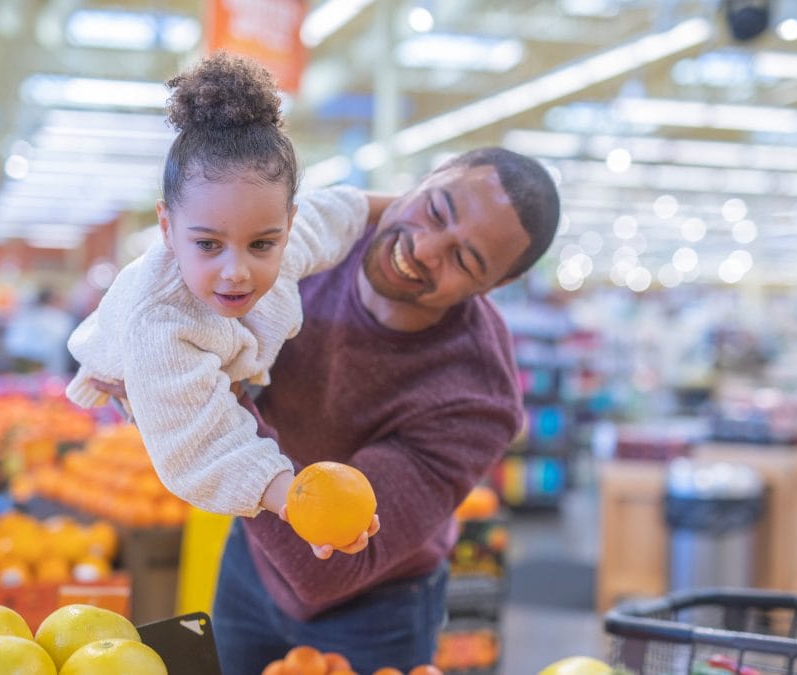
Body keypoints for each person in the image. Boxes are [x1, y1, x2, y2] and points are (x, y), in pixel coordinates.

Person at [211, 147, 561, 673]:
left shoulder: (475, 398)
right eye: (437, 209)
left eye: (465, 259)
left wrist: (201, 405)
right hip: (252, 559)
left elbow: (327, 561)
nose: (422, 248)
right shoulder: (312, 246)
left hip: (375, 607)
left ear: (496, 287)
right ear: (417, 184)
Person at [66, 52, 377, 530]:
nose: (236, 271)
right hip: (135, 379)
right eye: (208, 244)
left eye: (261, 244)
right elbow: (204, 446)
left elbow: (335, 213)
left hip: (221, 362)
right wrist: (292, 499)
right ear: (167, 227)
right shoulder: (161, 320)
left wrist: (413, 205)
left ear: (286, 226)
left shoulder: (288, 240)